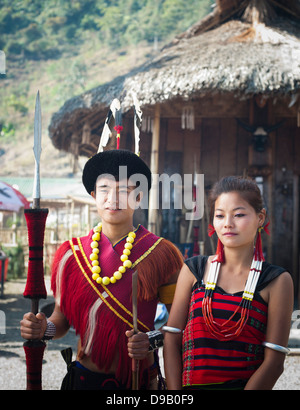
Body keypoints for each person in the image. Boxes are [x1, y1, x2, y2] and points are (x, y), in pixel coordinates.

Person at [21, 149, 183, 390]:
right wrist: (44, 329)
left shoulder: (162, 254)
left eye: (124, 191)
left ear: (138, 198)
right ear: (94, 195)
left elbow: (180, 325)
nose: (113, 198)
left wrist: (150, 340)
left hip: (139, 382)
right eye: (105, 190)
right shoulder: (70, 255)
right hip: (85, 380)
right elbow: (61, 321)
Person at [163, 175, 294, 390]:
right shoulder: (193, 270)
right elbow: (171, 339)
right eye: (220, 215)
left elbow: (274, 363)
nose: (228, 224)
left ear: (261, 218)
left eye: (239, 215)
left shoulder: (277, 281)